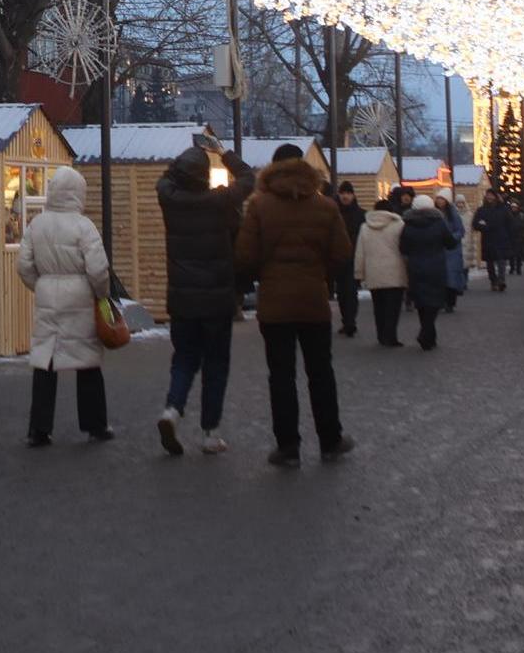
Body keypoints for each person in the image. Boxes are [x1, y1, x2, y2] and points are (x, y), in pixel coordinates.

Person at [234, 144, 355, 465]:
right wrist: (320, 275)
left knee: (281, 375)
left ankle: (288, 446)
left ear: (273, 168)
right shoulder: (325, 206)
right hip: (313, 301)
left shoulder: (259, 206)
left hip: (275, 305)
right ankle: (330, 440)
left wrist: (265, 275)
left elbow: (245, 256)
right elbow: (342, 253)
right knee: (321, 372)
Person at [153, 141, 256, 455]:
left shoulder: (169, 199)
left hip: (182, 298)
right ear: (204, 176)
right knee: (216, 365)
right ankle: (210, 433)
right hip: (217, 299)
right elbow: (248, 178)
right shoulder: (220, 202)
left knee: (184, 359)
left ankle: (173, 409)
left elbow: (165, 178)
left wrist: (180, 165)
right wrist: (223, 152)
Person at [19, 167, 114, 446]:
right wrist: (101, 294)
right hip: (80, 297)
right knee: (87, 363)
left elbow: (23, 265)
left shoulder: (37, 224)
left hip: (48, 295)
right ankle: (95, 425)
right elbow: (98, 270)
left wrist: (41, 285)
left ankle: (39, 429)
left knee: (45, 361)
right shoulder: (84, 226)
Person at [399, 195, 459, 350]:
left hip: (415, 267)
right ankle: (426, 332)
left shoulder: (408, 224)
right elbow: (450, 243)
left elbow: (403, 247)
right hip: (435, 266)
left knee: (421, 301)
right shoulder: (439, 223)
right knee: (434, 301)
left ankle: (429, 336)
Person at [355, 198, 410, 346]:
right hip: (395, 272)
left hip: (374, 272)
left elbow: (360, 252)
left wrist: (359, 273)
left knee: (378, 307)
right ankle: (390, 336)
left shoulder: (365, 227)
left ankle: (381, 335)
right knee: (393, 308)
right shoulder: (399, 225)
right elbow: (405, 249)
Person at [334, 181, 369, 334]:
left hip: (354, 257)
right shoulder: (334, 213)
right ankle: (345, 320)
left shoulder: (361, 214)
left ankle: (350, 321)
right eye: (343, 193)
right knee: (341, 292)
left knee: (351, 291)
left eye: (348, 193)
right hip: (337, 258)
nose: (345, 196)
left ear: (353, 195)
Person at [471, 190, 524, 291]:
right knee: (490, 262)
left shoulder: (503, 209)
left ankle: (501, 280)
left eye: (491, 195)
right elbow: (475, 224)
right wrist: (483, 227)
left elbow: (511, 223)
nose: (489, 197)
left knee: (501, 261)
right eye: (488, 195)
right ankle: (493, 281)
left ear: (495, 197)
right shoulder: (481, 210)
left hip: (501, 239)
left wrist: (511, 236)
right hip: (488, 239)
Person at [436, 190, 470, 312]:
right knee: (441, 276)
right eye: (438, 198)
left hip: (452, 249)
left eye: (442, 199)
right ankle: (442, 301)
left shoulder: (453, 214)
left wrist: (451, 238)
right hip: (439, 249)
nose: (439, 201)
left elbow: (460, 231)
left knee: (451, 276)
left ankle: (450, 302)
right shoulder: (435, 213)